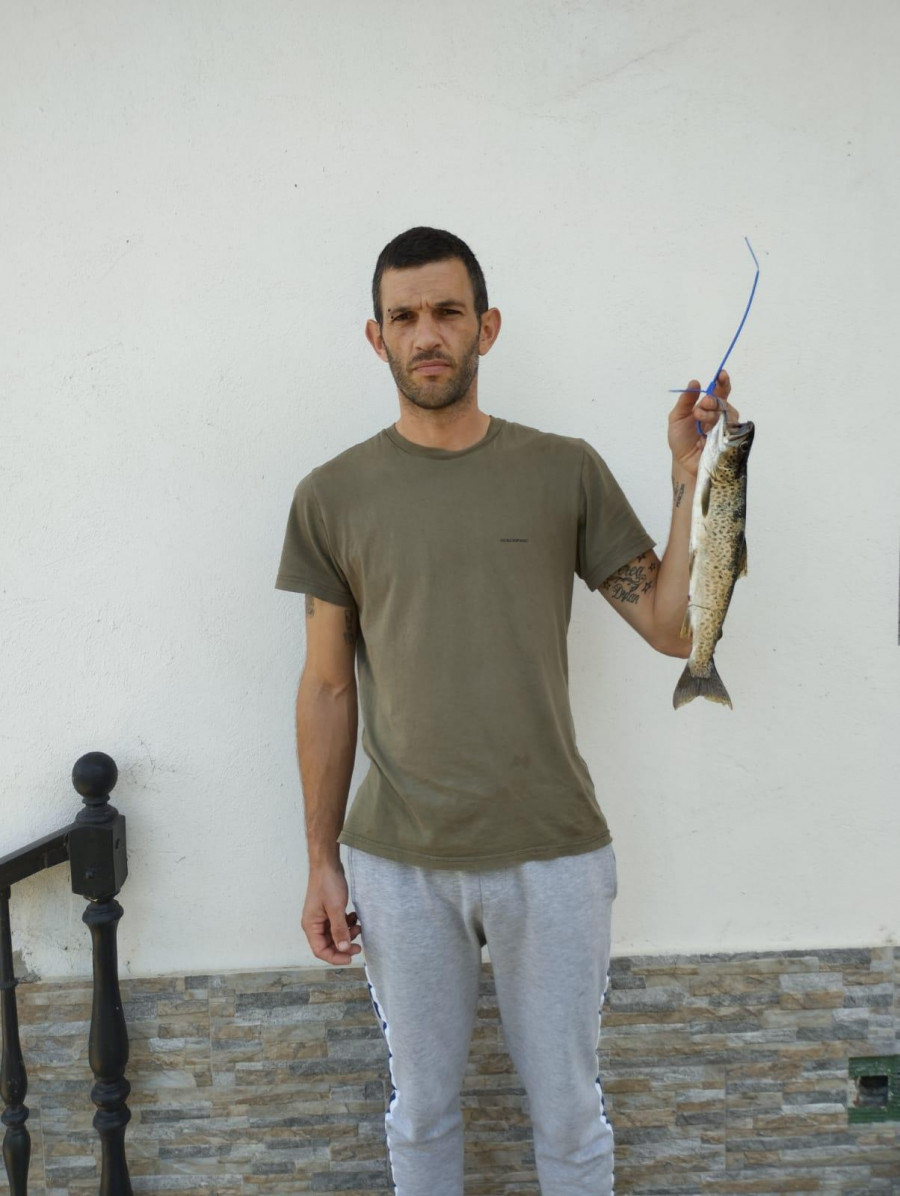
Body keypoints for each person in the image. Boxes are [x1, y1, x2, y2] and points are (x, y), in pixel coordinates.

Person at [274, 226, 737, 1196]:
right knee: (423, 1113)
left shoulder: (561, 468)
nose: (427, 333)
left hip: (553, 847)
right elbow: (326, 685)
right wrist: (321, 860)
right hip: (398, 859)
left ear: (486, 326)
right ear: (376, 337)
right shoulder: (331, 495)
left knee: (570, 1114)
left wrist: (690, 478)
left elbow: (664, 622)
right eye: (405, 317)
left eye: (447, 311)